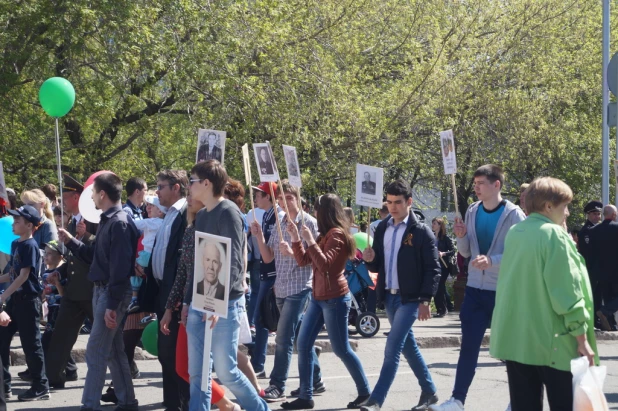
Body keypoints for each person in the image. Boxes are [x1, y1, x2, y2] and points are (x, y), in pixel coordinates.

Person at [490, 177, 598, 411]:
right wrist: (582, 339)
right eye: (565, 206)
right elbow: (566, 293)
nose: (567, 213)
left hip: (517, 340)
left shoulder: (516, 232)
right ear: (549, 206)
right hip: (554, 342)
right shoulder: (554, 236)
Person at [430, 165, 526, 411]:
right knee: (468, 348)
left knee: (511, 352)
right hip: (474, 290)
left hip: (503, 292)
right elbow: (465, 252)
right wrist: (461, 235)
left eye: (480, 183)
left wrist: (492, 260)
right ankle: (457, 400)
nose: (476, 187)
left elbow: (520, 254)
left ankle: (518, 400)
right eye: (475, 183)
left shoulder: (514, 215)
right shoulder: (472, 210)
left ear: (497, 185)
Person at [185, 159, 269, 410]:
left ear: (206, 183)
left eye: (192, 181)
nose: (189, 186)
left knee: (227, 370)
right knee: (197, 373)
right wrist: (189, 301)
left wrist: (214, 304)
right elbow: (199, 263)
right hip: (201, 301)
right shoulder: (202, 216)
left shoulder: (229, 211)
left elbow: (233, 262)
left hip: (225, 304)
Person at [58, 173, 139, 411]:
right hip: (103, 291)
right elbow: (97, 260)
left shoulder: (120, 222)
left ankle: (89, 405)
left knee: (95, 351)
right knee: (112, 350)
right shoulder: (109, 220)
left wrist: (112, 305)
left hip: (110, 294)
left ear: (102, 194)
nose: (91, 196)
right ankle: (128, 401)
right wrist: (72, 241)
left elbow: (120, 270)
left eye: (93, 192)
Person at [284, 193, 371, 410]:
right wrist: (296, 238)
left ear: (324, 212)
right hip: (318, 297)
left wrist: (310, 241)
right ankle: (306, 396)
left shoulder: (337, 236)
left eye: (316, 209)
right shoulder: (325, 235)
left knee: (342, 349)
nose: (313, 213)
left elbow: (325, 267)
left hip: (334, 299)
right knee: (303, 344)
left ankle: (365, 392)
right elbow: (305, 260)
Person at [359, 180, 440, 411]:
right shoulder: (383, 228)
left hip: (411, 299)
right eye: (389, 202)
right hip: (390, 297)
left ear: (409, 202)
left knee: (392, 346)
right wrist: (370, 258)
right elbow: (377, 268)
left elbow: (433, 269)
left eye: (398, 202)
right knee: (408, 346)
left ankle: (376, 400)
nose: (393, 207)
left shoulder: (421, 231)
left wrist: (426, 300)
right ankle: (429, 392)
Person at [160, 191, 244, 411]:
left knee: (221, 369)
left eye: (192, 193)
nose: (189, 197)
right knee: (184, 367)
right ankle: (227, 404)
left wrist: (215, 302)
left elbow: (229, 264)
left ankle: (239, 404)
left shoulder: (212, 225)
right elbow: (184, 272)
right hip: (189, 305)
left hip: (210, 303)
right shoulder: (189, 229)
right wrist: (171, 307)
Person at [250, 180, 324, 403]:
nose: (284, 202)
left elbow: (314, 259)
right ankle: (316, 379)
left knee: (283, 338)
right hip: (280, 287)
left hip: (300, 287)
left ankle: (277, 384)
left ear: (298, 198)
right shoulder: (280, 221)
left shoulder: (308, 223)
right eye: (281, 198)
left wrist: (292, 251)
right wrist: (259, 237)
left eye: (289, 197)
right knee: (301, 339)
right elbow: (268, 257)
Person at [141, 169, 190, 410]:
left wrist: (177, 300)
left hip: (176, 297)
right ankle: (172, 403)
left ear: (176, 188)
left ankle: (182, 403)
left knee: (175, 356)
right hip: (162, 292)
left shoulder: (185, 213)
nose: (156, 191)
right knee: (165, 354)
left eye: (160, 186)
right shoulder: (169, 214)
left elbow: (183, 261)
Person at [45, 175, 96, 389]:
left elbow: (93, 253)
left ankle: (128, 368)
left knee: (110, 339)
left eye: (65, 197)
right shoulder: (74, 220)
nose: (62, 201)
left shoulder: (93, 218)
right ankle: (53, 378)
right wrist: (59, 272)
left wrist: (81, 238)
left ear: (76, 197)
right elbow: (74, 257)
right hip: (75, 291)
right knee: (61, 334)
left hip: (92, 290)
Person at [0, 205, 50, 401]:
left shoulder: (30, 245)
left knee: (31, 345)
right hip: (15, 301)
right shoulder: (15, 244)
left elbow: (22, 276)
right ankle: (4, 385)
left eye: (18, 221)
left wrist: (2, 297)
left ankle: (40, 386)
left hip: (28, 302)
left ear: (29, 225)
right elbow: (11, 273)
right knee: (2, 340)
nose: (13, 223)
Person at [250, 181, 284, 377]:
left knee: (267, 320)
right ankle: (258, 363)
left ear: (269, 197)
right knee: (264, 319)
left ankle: (258, 363)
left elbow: (268, 254)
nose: (255, 197)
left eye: (259, 194)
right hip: (267, 272)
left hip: (274, 274)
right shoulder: (267, 216)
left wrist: (259, 237)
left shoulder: (277, 218)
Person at [128, 195, 167, 313]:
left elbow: (133, 224)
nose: (147, 208)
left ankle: (134, 298)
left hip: (146, 255)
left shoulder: (152, 222)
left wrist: (122, 216)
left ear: (160, 211)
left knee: (133, 272)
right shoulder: (164, 223)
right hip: (156, 257)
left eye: (151, 205)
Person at [588, 205, 618, 331]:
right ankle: (605, 312)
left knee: (608, 297)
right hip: (616, 270)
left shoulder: (594, 230)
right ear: (614, 215)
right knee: (613, 299)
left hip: (601, 272)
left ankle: (611, 326)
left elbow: (591, 252)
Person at [432, 217, 456, 318]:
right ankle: (441, 309)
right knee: (437, 287)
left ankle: (442, 309)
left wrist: (443, 253)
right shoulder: (432, 237)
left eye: (434, 223)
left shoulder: (445, 238)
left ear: (440, 225)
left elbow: (453, 250)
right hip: (434, 266)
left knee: (439, 287)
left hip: (444, 266)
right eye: (432, 223)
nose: (432, 225)